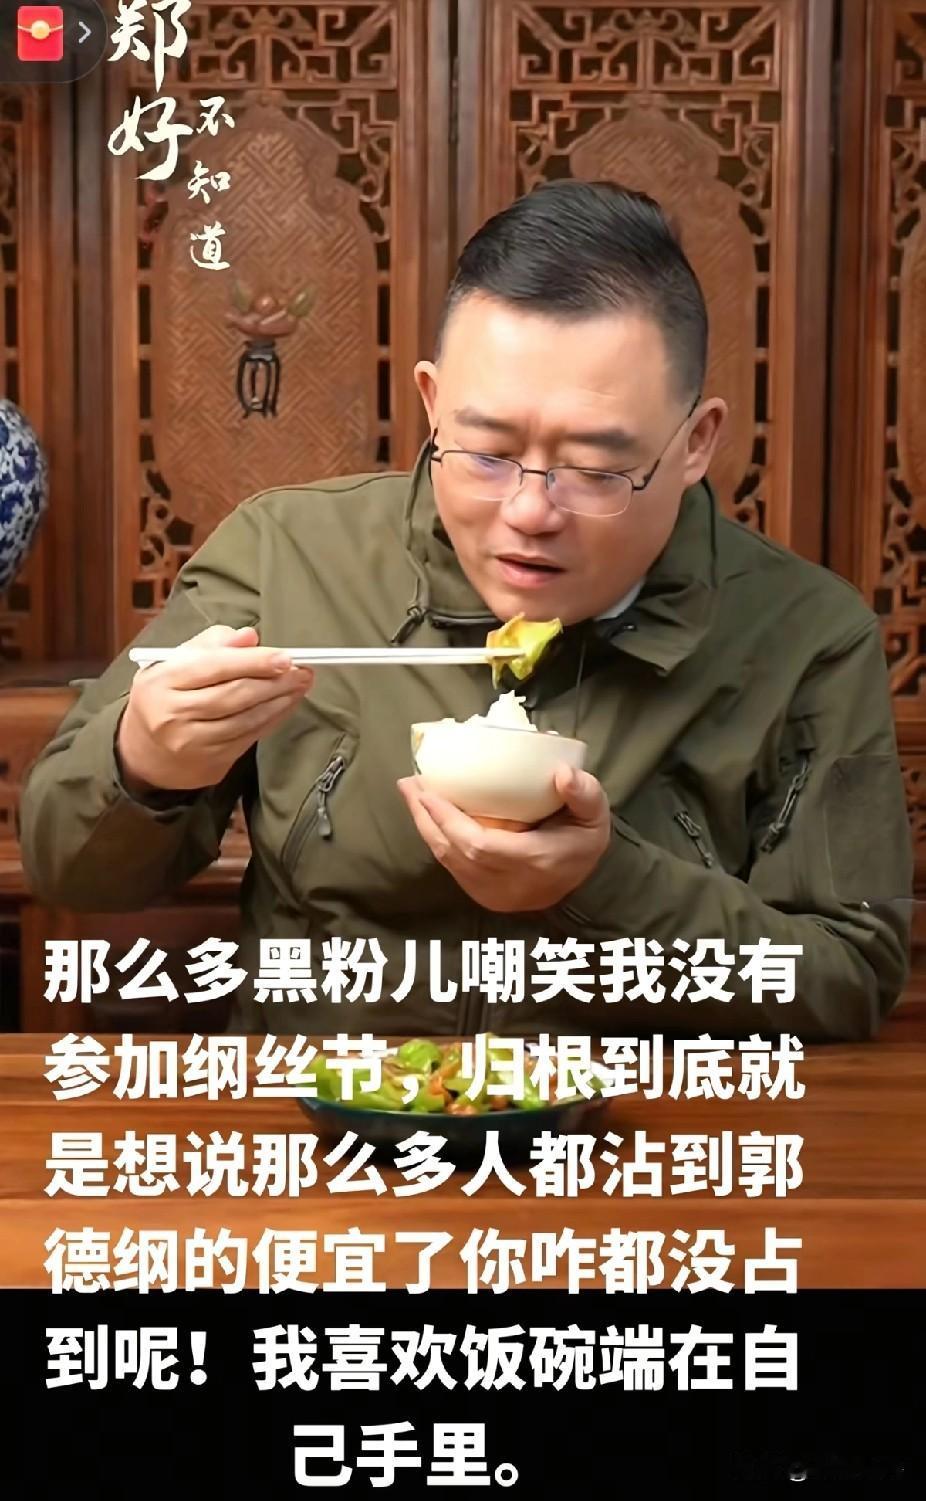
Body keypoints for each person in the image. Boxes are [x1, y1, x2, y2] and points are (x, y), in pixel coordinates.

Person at [17, 180, 912, 1041]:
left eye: (596, 469)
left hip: (638, 1126)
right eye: (485, 452)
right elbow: (65, 863)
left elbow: (850, 974)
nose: (530, 511)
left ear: (696, 442)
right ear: (433, 404)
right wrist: (146, 762)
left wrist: (607, 882)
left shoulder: (807, 636)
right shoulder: (285, 555)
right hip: (323, 1113)